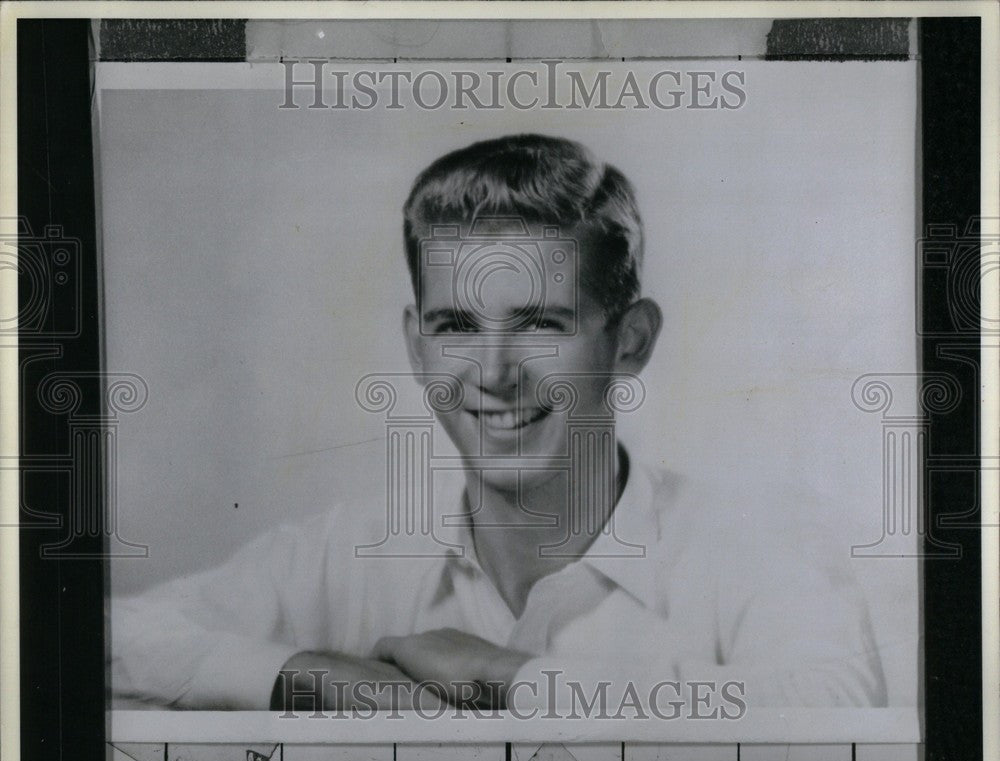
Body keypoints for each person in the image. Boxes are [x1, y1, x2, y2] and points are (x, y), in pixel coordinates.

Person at [112, 134, 886, 715]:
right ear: (417, 347)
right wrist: (307, 674)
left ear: (632, 341)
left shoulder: (750, 547)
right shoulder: (344, 551)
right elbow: (102, 639)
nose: (492, 370)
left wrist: (505, 677)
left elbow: (837, 706)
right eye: (455, 325)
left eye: (542, 323)